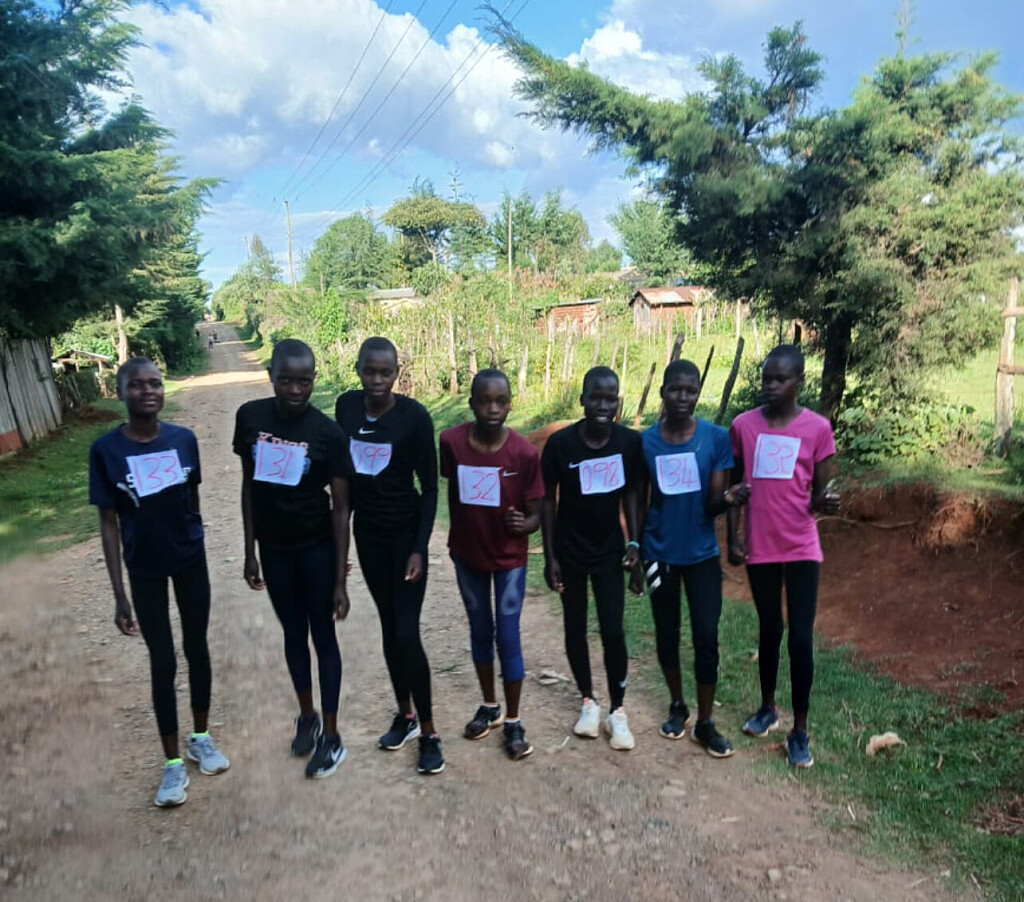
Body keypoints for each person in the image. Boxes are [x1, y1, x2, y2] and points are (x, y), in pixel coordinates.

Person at [89, 357, 229, 808]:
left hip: (189, 560)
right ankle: (171, 764)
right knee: (163, 660)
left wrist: (191, 535)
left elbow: (192, 496)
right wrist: (119, 594)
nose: (148, 391)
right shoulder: (106, 450)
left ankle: (200, 738)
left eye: (155, 383)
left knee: (197, 648)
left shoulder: (183, 440)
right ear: (120, 393)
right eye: (137, 385)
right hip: (144, 567)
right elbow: (108, 522)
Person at [233, 338, 352, 779]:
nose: (295, 390)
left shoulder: (328, 433)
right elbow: (249, 485)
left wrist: (339, 579)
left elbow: (341, 509)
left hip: (316, 548)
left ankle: (332, 736)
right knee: (292, 634)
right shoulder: (251, 417)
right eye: (286, 380)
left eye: (304, 381)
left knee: (323, 637)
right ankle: (307, 716)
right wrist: (250, 549)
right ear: (272, 377)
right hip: (275, 550)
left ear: (314, 380)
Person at [335, 337, 444, 775]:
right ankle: (406, 715)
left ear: (397, 373)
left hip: (405, 539)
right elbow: (342, 481)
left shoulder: (414, 418)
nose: (377, 380)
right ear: (358, 370)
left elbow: (430, 488)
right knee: (388, 627)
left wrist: (419, 547)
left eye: (385, 372)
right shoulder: (346, 409)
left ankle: (430, 733)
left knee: (406, 632)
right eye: (369, 371)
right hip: (370, 537)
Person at [728, 344, 839, 769]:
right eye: (766, 378)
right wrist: (733, 538)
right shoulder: (744, 426)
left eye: (780, 379)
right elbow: (735, 487)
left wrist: (827, 502)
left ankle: (800, 730)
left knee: (800, 638)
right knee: (770, 628)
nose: (770, 386)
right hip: (761, 547)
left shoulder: (817, 428)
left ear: (799, 382)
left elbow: (820, 495)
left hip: (801, 546)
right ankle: (768, 708)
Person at [634, 359, 749, 758]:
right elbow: (640, 501)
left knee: (706, 637)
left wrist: (728, 499)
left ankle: (705, 722)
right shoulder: (646, 443)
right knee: (666, 633)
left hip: (701, 554)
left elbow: (713, 504)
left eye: (691, 390)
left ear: (699, 393)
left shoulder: (715, 439)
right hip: (659, 553)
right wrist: (635, 549)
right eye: (675, 389)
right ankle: (677, 705)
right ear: (663, 392)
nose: (683, 397)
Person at [439, 369, 543, 761]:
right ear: (471, 404)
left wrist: (525, 525)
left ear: (511, 404)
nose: (492, 409)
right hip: (468, 554)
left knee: (508, 635)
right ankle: (490, 706)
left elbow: (536, 514)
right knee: (480, 629)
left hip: (509, 558)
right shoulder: (451, 442)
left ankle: (514, 720)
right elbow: (451, 486)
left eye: (500, 401)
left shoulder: (524, 453)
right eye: (484, 401)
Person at [540, 366, 643, 750]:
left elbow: (632, 493)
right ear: (582, 400)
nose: (603, 405)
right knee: (575, 626)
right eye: (595, 397)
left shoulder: (628, 443)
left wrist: (635, 544)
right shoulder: (561, 444)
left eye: (610, 398)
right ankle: (588, 701)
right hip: (569, 551)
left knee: (613, 630)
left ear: (618, 402)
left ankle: (618, 710)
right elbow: (547, 501)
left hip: (610, 552)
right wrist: (550, 555)